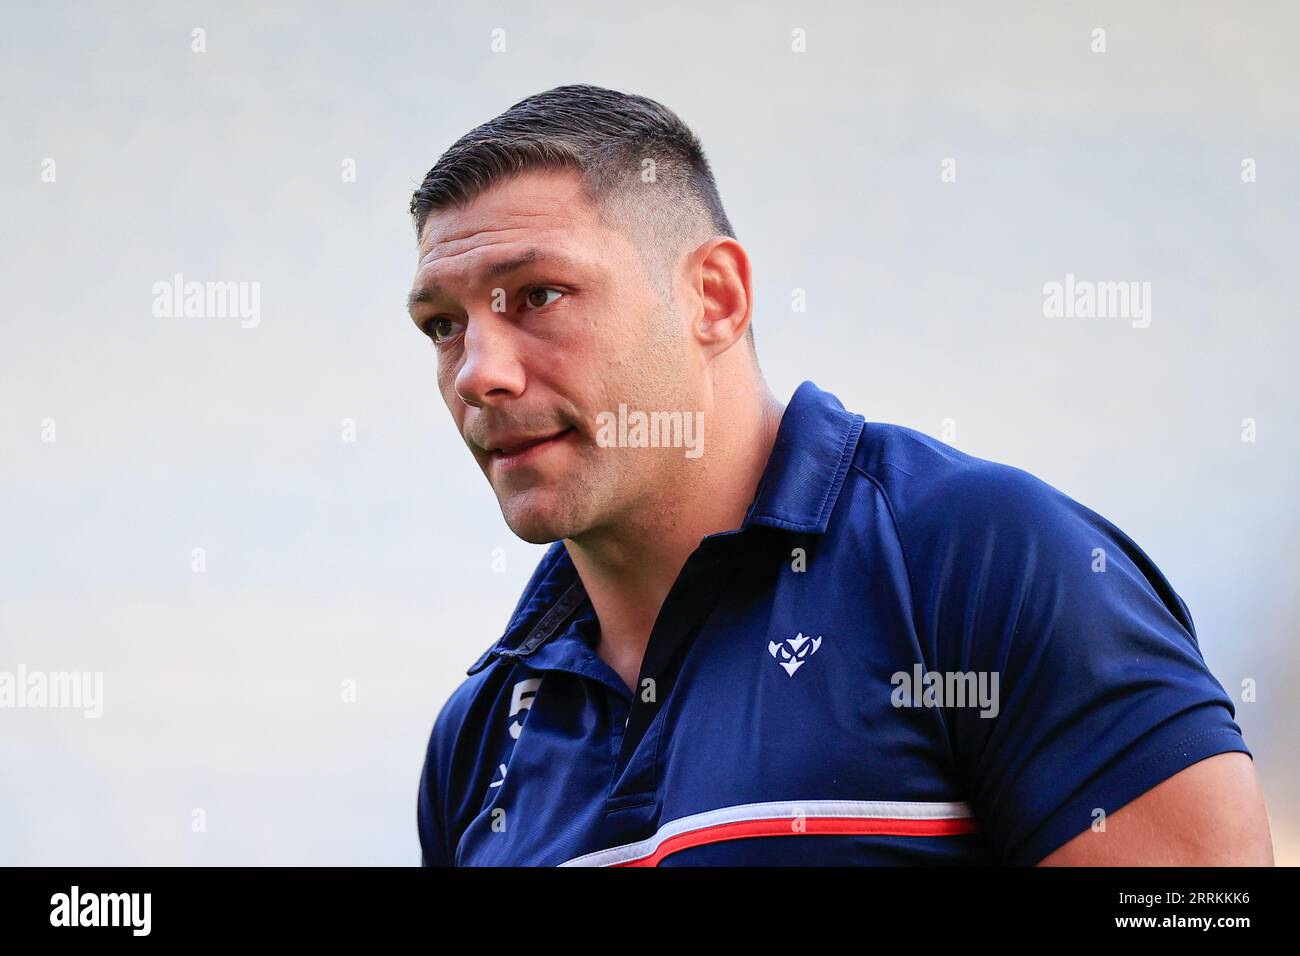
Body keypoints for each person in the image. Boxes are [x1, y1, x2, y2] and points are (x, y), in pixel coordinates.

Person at [408, 84, 1272, 866]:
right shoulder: (478, 735)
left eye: (540, 295)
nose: (480, 372)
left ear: (714, 298)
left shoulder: (984, 563)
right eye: (443, 324)